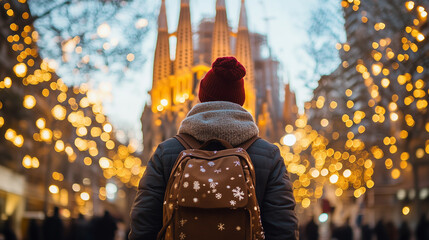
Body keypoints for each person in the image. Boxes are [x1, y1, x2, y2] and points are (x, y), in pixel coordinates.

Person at [129, 56, 298, 240]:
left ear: (202, 97)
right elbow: (283, 229)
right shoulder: (268, 155)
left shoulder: (167, 151)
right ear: (240, 100)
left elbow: (143, 224)